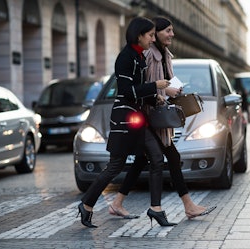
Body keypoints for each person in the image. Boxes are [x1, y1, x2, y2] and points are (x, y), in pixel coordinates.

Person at [109, 16, 216, 222]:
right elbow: (147, 83)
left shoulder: (165, 54)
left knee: (142, 160)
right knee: (170, 157)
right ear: (155, 33)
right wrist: (165, 90)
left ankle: (118, 202)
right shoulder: (148, 54)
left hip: (156, 114)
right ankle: (184, 206)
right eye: (167, 30)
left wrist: (173, 90)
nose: (172, 34)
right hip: (149, 116)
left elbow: (161, 82)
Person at [77, 16, 172, 228]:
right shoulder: (126, 58)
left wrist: (153, 97)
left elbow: (137, 91)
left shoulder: (139, 57)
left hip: (135, 117)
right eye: (149, 35)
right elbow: (127, 91)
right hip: (124, 118)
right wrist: (154, 85)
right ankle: (87, 204)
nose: (151, 39)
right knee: (115, 166)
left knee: (156, 158)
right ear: (139, 35)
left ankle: (156, 209)